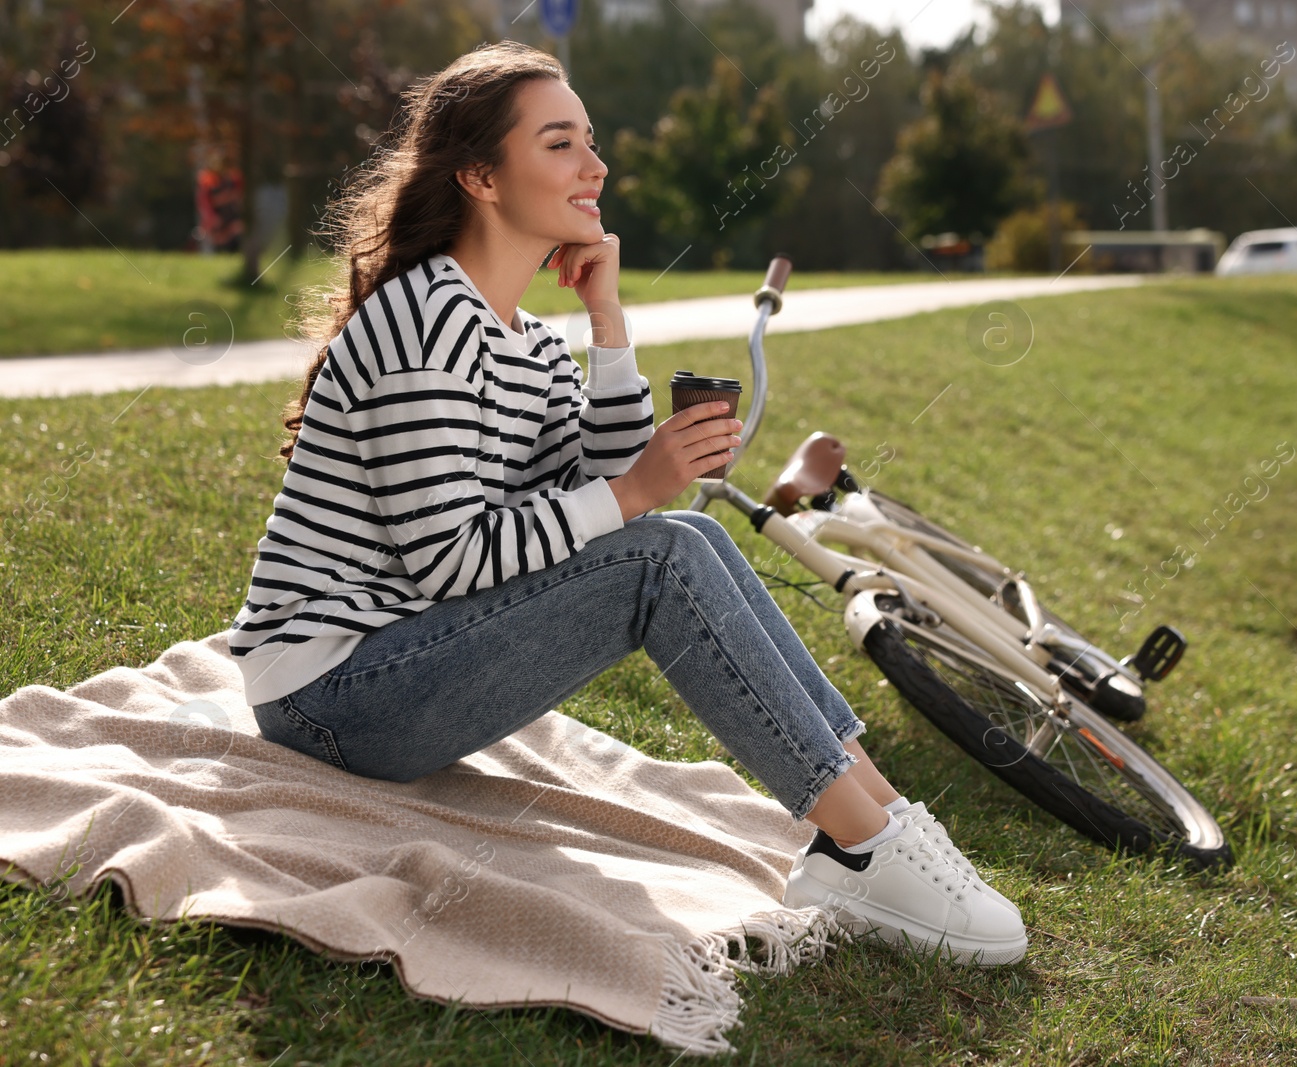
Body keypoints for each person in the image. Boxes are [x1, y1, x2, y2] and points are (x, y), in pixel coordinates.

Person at [228, 41, 1026, 967]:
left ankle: (878, 814)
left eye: (591, 142)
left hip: (404, 653)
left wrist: (609, 325)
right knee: (662, 551)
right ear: (482, 175)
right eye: (561, 144)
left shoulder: (519, 334)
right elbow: (451, 557)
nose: (597, 167)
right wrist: (636, 486)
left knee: (677, 534)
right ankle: (859, 846)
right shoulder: (424, 322)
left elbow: (597, 478)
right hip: (329, 692)